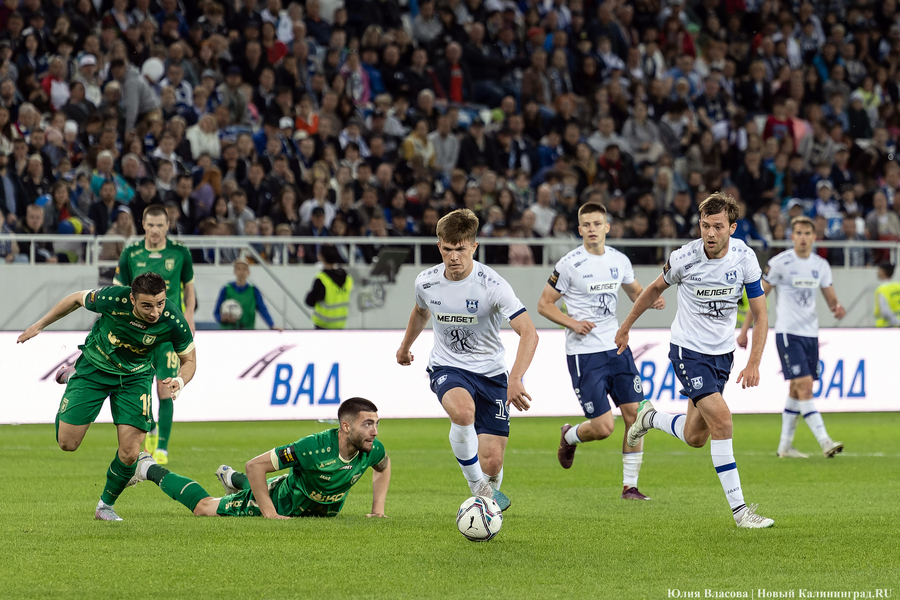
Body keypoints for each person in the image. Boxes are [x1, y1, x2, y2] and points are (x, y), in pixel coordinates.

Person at [614, 192, 775, 529]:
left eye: (717, 226)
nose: (710, 234)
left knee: (695, 436)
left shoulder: (745, 258)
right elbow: (654, 290)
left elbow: (761, 314)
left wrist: (754, 362)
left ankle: (650, 417)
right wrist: (626, 326)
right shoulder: (684, 258)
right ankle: (740, 511)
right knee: (723, 422)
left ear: (732, 227)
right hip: (688, 351)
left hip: (722, 355)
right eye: (705, 226)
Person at [17, 273, 196, 521]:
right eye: (146, 305)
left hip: (135, 377)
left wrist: (180, 380)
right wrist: (40, 325)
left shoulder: (172, 318)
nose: (155, 312)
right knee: (67, 443)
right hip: (95, 367)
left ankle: (105, 506)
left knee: (131, 452)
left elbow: (189, 360)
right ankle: (74, 378)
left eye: (160, 303)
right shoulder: (112, 298)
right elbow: (75, 299)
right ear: (132, 298)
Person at [395, 208, 539, 511]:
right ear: (439, 247)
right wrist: (404, 347)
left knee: (493, 461)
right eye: (447, 249)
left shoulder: (493, 284)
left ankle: (486, 508)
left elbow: (529, 333)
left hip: (492, 373)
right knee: (462, 413)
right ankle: (479, 489)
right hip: (448, 367)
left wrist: (515, 378)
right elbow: (421, 312)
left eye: (460, 249)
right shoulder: (426, 282)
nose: (454, 257)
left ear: (474, 246)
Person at [537, 203, 665, 501]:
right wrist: (572, 323)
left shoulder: (619, 260)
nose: (592, 228)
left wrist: (652, 298)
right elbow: (544, 304)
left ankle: (629, 487)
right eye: (586, 224)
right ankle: (569, 436)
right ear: (579, 230)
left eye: (597, 223)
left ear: (607, 227)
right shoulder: (569, 264)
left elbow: (634, 291)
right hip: (585, 354)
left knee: (636, 415)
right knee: (604, 427)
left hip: (617, 347)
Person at [129, 398, 390, 519]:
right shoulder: (311, 448)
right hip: (281, 502)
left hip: (311, 507)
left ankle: (231, 479)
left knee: (258, 480)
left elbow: (384, 466)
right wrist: (270, 513)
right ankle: (148, 467)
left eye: (376, 424)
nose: (374, 431)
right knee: (204, 508)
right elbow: (255, 465)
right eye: (367, 424)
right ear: (345, 427)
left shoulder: (371, 448)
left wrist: (377, 511)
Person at [738, 216, 846, 459]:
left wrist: (837, 307)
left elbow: (830, 299)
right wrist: (745, 329)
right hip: (788, 334)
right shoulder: (780, 263)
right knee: (805, 386)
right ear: (792, 236)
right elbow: (759, 299)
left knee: (796, 390)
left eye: (807, 233)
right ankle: (825, 441)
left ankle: (784, 447)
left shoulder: (821, 265)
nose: (803, 238)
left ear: (814, 236)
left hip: (811, 335)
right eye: (798, 233)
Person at [112, 204, 195, 465]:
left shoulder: (180, 252)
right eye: (151, 225)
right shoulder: (130, 253)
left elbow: (188, 288)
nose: (156, 230)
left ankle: (162, 448)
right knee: (140, 384)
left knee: (165, 386)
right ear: (144, 225)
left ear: (167, 226)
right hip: (137, 332)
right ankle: (150, 426)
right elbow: (119, 293)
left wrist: (189, 317)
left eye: (161, 225)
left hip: (168, 332)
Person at [214, 257, 281, 331]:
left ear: (248, 272)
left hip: (247, 332)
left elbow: (263, 309)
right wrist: (222, 318)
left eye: (244, 269)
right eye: (238, 269)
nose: (241, 272)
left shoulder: (253, 290)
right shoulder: (226, 289)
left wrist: (272, 325)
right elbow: (216, 312)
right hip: (229, 331)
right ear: (235, 272)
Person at [305, 244, 354, 330]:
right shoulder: (347, 277)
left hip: (323, 325)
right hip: (340, 324)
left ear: (321, 257)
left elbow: (310, 301)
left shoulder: (322, 279)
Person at [874, 263, 900, 327]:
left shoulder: (881, 289)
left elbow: (884, 310)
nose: (877, 272)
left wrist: (896, 322)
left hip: (886, 326)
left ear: (883, 271)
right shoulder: (898, 286)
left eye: (879, 270)